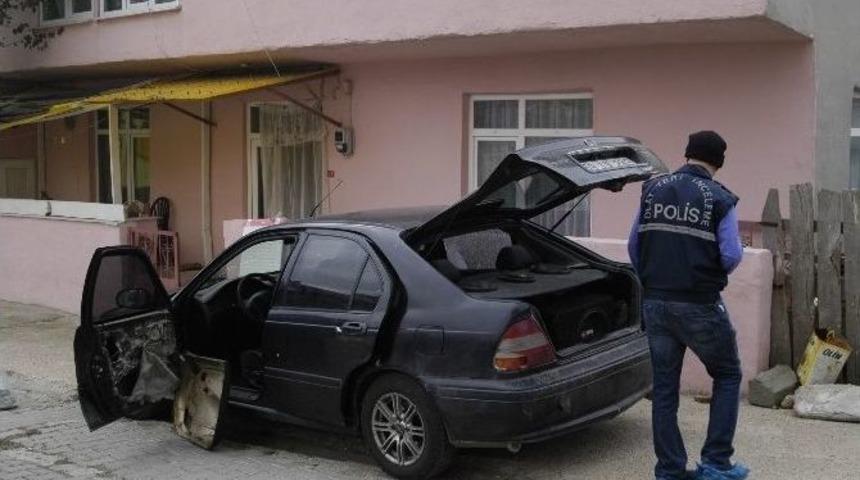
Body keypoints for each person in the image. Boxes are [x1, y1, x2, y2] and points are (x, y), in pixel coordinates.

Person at [628, 131, 748, 480]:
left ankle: (669, 470)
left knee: (665, 389)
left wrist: (657, 276)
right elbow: (730, 255)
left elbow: (634, 246)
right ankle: (715, 463)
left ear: (687, 154)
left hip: (655, 303)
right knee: (727, 374)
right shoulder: (720, 198)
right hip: (699, 303)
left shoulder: (653, 189)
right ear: (718, 161)